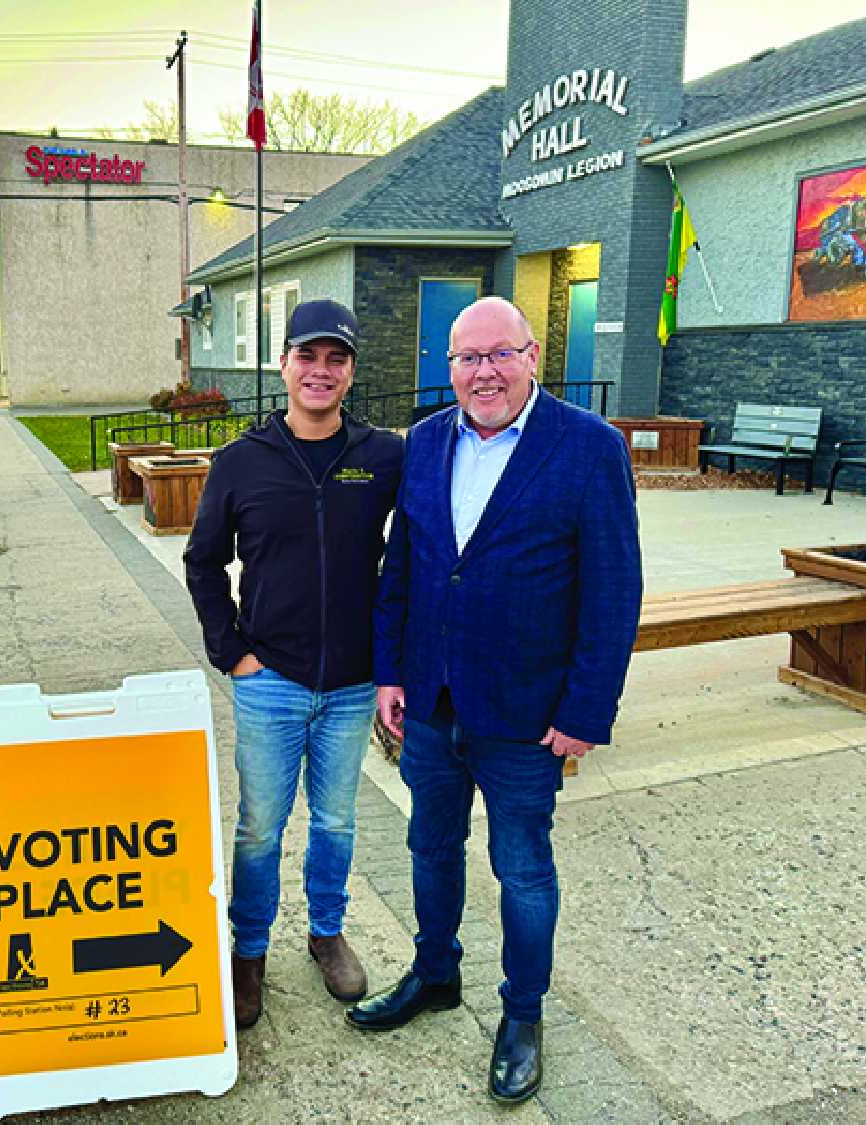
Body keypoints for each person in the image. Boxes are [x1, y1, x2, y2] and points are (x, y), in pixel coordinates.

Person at [347, 297, 642, 1105]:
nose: (483, 372)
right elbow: (402, 568)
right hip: (433, 702)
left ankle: (521, 1015)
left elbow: (614, 591)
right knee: (430, 846)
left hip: (527, 715)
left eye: (498, 354)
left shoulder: (588, 448)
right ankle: (436, 972)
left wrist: (586, 711)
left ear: (533, 355)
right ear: (449, 368)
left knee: (522, 869)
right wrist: (391, 671)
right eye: (466, 358)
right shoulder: (427, 441)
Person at [184, 298, 404, 1030]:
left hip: (350, 684)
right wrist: (234, 652)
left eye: (335, 358)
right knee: (260, 826)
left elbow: (422, 542)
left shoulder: (381, 458)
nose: (320, 370)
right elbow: (203, 562)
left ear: (350, 371)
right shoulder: (243, 460)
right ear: (283, 363)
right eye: (306, 356)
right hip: (269, 680)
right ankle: (249, 951)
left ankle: (325, 931)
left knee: (336, 822)